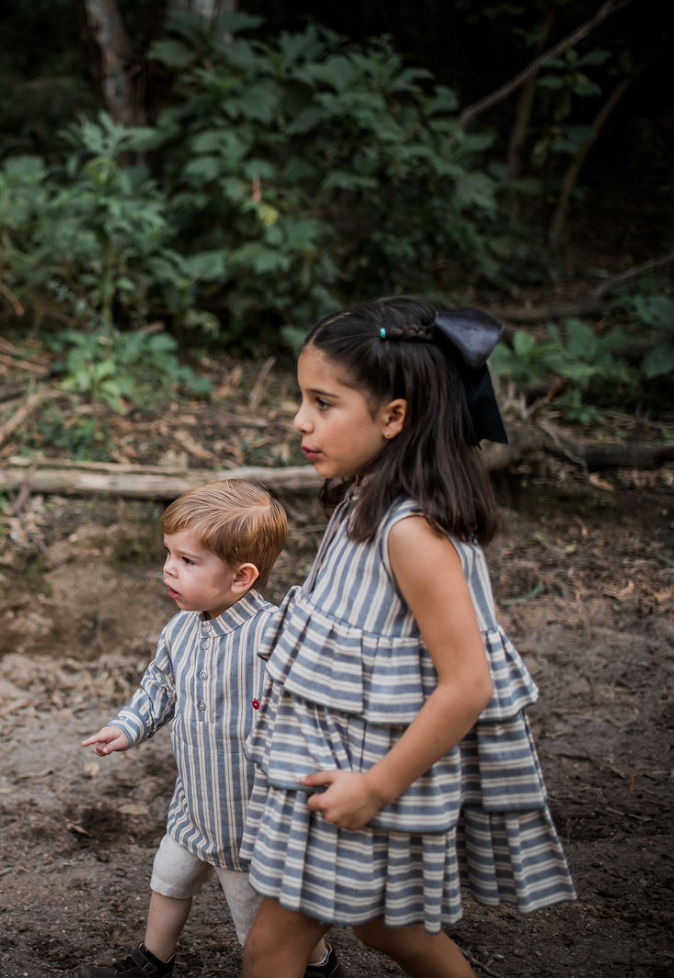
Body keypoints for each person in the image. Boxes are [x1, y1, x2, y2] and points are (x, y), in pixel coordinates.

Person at [239, 296, 577, 978]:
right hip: (339, 769)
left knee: (271, 949)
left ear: (394, 417)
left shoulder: (413, 534)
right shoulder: (361, 498)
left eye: (323, 403)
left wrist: (374, 789)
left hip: (369, 782)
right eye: (302, 399)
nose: (300, 419)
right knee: (390, 927)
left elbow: (469, 684)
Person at [73, 479, 341, 978]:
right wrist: (127, 727)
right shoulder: (180, 628)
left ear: (242, 577)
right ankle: (153, 962)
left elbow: (318, 699)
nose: (168, 568)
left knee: (259, 926)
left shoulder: (273, 635)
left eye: (188, 560)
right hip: (194, 806)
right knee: (168, 878)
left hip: (249, 824)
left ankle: (318, 964)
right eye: (168, 554)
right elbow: (160, 688)